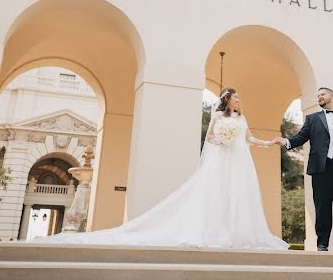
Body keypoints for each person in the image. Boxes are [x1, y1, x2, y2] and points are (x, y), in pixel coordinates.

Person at [35, 87, 287, 250]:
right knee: (217, 194)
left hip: (241, 161)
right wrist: (223, 139)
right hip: (224, 159)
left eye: (239, 97)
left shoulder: (241, 118)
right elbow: (209, 138)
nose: (239, 100)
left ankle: (237, 234)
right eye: (236, 97)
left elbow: (250, 139)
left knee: (239, 196)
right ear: (227, 100)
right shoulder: (218, 118)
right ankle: (218, 233)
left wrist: (269, 142)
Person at [274, 86, 333, 252]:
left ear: (332, 96)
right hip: (321, 168)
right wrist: (287, 142)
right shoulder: (312, 119)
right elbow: (301, 137)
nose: (319, 97)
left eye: (322, 94)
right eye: (318, 96)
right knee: (322, 207)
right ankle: (322, 243)